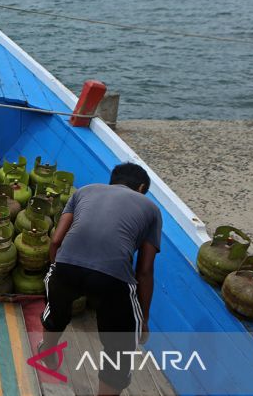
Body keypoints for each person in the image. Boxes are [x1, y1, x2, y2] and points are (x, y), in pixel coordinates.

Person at [38, 163, 161, 396]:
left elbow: (55, 241)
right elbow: (144, 271)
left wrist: (57, 272)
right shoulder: (151, 208)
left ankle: (49, 352)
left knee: (55, 311)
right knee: (120, 345)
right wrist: (143, 320)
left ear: (112, 181)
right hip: (112, 278)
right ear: (142, 187)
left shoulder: (84, 191)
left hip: (66, 266)